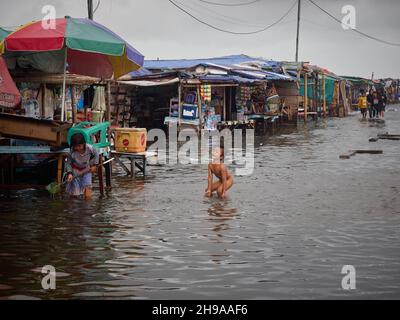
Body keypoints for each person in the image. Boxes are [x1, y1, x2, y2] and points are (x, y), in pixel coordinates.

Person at [65, 133, 99, 199]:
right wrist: (69, 173)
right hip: (76, 171)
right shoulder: (71, 152)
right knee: (76, 193)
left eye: (79, 146)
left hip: (86, 169)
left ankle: (88, 205)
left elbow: (96, 154)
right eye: (75, 146)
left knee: (88, 186)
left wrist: (95, 165)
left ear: (84, 144)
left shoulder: (90, 148)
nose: (77, 148)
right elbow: (68, 163)